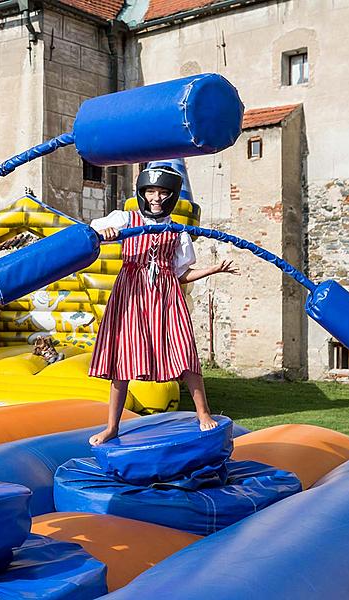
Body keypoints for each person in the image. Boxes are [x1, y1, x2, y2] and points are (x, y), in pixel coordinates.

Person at [87, 165, 239, 446]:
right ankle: (112, 427)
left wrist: (213, 269)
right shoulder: (125, 218)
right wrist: (105, 231)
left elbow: (181, 274)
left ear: (171, 195)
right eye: (151, 191)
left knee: (185, 351)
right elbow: (92, 231)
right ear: (142, 192)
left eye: (163, 192)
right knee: (122, 359)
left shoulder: (178, 232)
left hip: (167, 295)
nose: (156, 197)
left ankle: (203, 413)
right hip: (131, 296)